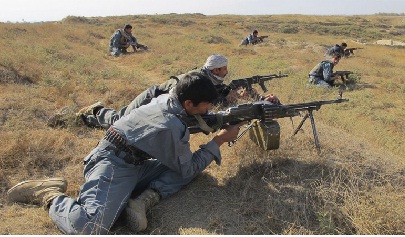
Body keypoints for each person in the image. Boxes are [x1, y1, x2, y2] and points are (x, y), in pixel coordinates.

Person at [7, 72, 245, 234]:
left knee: (189, 169)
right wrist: (221, 139)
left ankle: (142, 200)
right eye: (206, 105)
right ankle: (49, 195)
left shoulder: (168, 99)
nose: (210, 109)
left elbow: (186, 133)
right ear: (189, 104)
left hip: (134, 160)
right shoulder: (171, 125)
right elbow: (186, 162)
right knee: (91, 228)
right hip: (112, 164)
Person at [74, 54, 280, 129]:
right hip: (152, 98)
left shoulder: (213, 80)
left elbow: (234, 91)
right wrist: (226, 100)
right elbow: (179, 101)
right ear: (215, 70)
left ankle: (92, 117)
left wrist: (262, 98)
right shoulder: (194, 79)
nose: (226, 73)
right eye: (224, 69)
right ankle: (96, 112)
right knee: (120, 120)